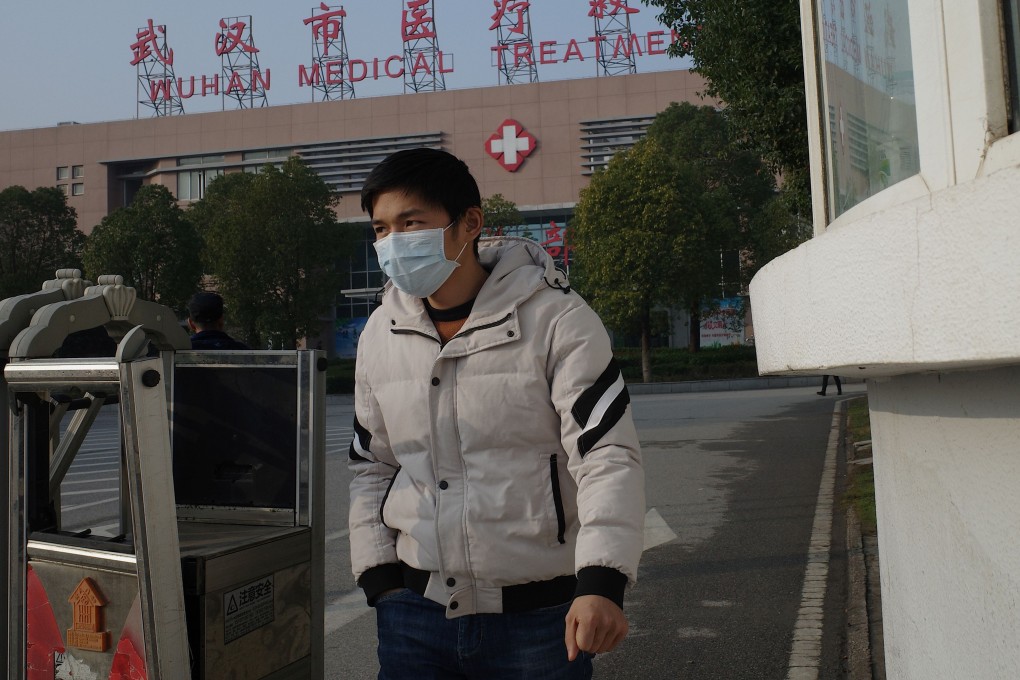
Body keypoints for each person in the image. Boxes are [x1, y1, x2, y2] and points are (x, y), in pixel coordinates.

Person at [348, 148, 646, 679]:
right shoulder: (379, 334)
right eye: (380, 229)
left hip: (540, 619)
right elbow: (372, 463)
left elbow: (606, 455)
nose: (393, 243)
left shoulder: (557, 319)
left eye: (411, 223)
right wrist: (380, 579)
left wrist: (602, 582)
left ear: (470, 223)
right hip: (415, 616)